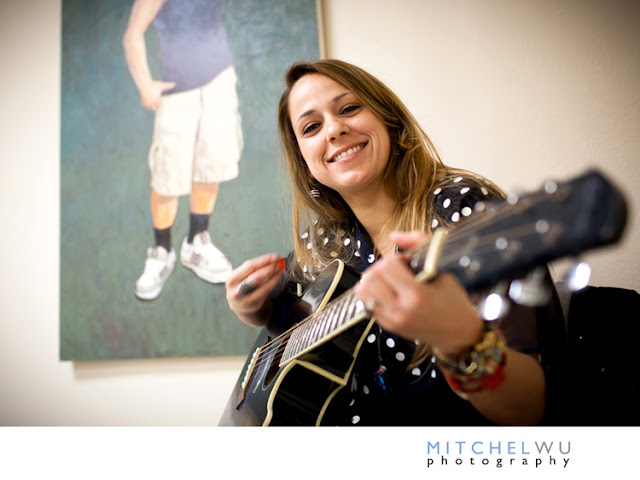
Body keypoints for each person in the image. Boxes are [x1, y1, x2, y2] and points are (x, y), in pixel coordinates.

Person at [225, 59, 564, 426]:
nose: (335, 129)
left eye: (349, 108)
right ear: (307, 165)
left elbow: (529, 410)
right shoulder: (323, 245)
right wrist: (257, 311)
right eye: (312, 127)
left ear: (389, 120)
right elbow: (288, 319)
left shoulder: (465, 210)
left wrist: (461, 338)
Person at [123, 0, 243, 301]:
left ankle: (197, 241)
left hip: (219, 81)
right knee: (168, 178)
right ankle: (162, 251)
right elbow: (132, 35)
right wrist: (145, 85)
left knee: (210, 167)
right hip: (176, 91)